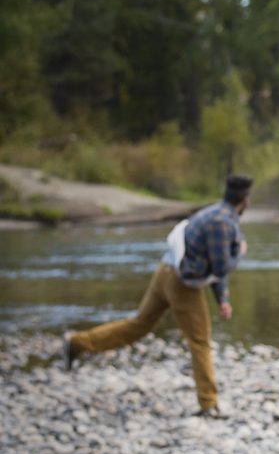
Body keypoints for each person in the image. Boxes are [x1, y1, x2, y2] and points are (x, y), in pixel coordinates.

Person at [62, 174, 253, 417]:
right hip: (182, 285)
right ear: (245, 199)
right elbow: (220, 267)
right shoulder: (223, 222)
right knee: (200, 342)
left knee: (138, 325)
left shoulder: (213, 212)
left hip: (165, 271)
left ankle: (77, 343)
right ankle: (209, 404)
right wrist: (241, 254)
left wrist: (222, 299)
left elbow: (212, 264)